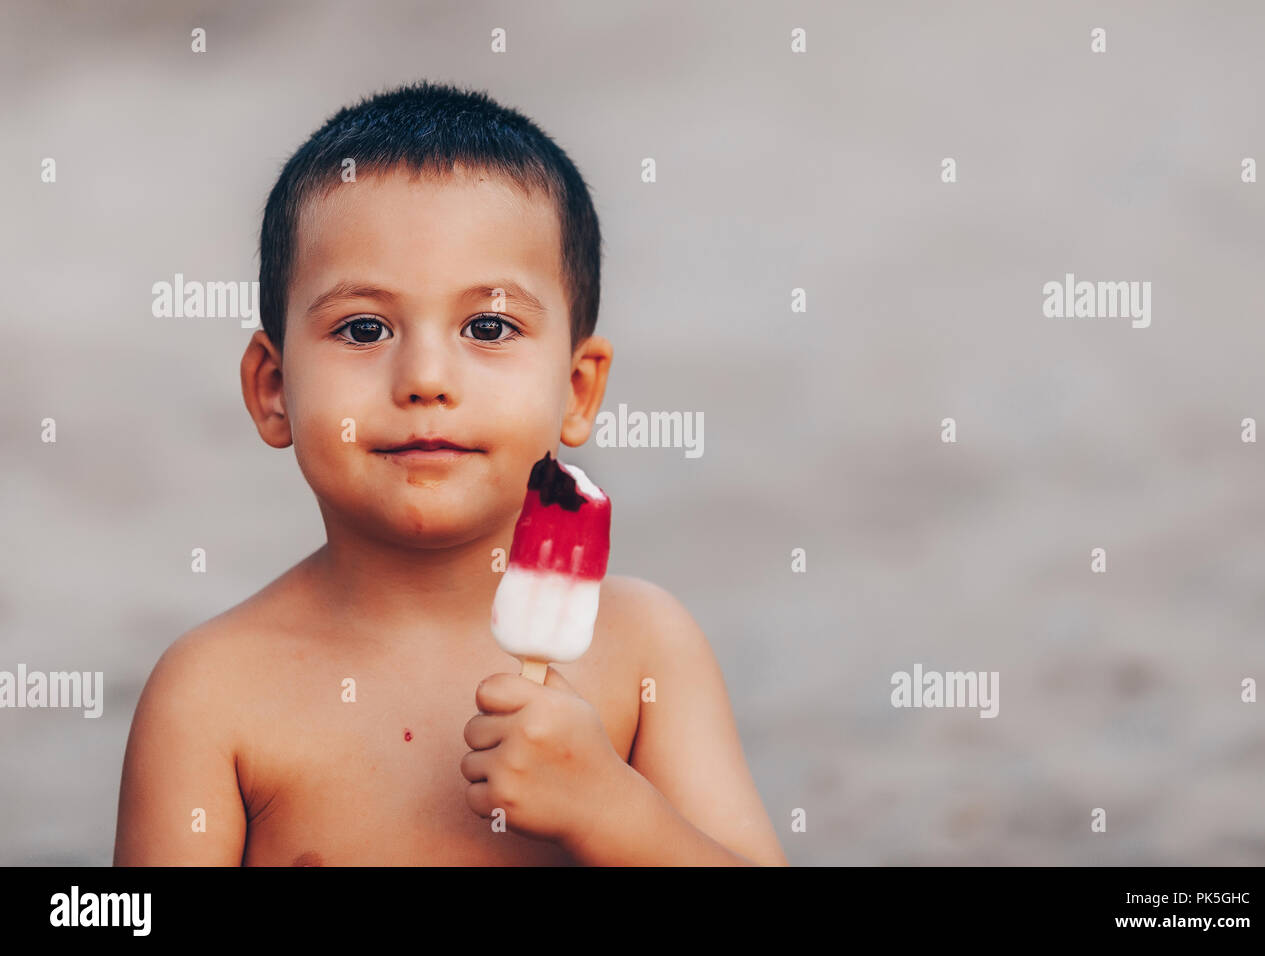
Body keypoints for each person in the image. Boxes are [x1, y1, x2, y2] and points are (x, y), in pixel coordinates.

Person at [113, 80, 787, 866]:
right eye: (363, 328)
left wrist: (614, 812)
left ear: (578, 390)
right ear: (273, 390)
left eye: (489, 326)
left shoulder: (644, 649)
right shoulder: (210, 693)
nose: (425, 377)